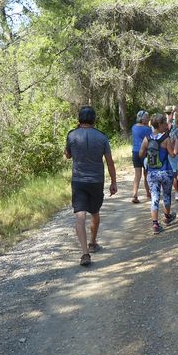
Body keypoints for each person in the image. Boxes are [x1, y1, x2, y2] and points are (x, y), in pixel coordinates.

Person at [65, 106, 118, 266]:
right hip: (96, 181)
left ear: (79, 119)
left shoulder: (72, 135)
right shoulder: (102, 137)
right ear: (94, 119)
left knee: (80, 216)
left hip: (78, 181)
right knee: (95, 213)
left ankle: (84, 253)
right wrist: (113, 182)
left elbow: (67, 155)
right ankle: (93, 243)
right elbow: (110, 162)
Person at [139, 114, 177, 234]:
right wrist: (176, 146)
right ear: (159, 125)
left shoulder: (147, 138)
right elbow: (172, 154)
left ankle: (155, 224)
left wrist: (148, 154)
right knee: (166, 195)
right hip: (165, 171)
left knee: (154, 197)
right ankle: (167, 217)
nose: (166, 125)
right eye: (165, 123)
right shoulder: (166, 138)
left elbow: (140, 154)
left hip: (152, 173)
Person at [131, 110, 151, 203]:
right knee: (146, 174)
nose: (148, 119)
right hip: (145, 153)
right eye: (147, 117)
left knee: (137, 175)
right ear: (142, 119)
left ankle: (135, 194)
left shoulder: (134, 127)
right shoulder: (147, 129)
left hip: (135, 152)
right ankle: (148, 193)